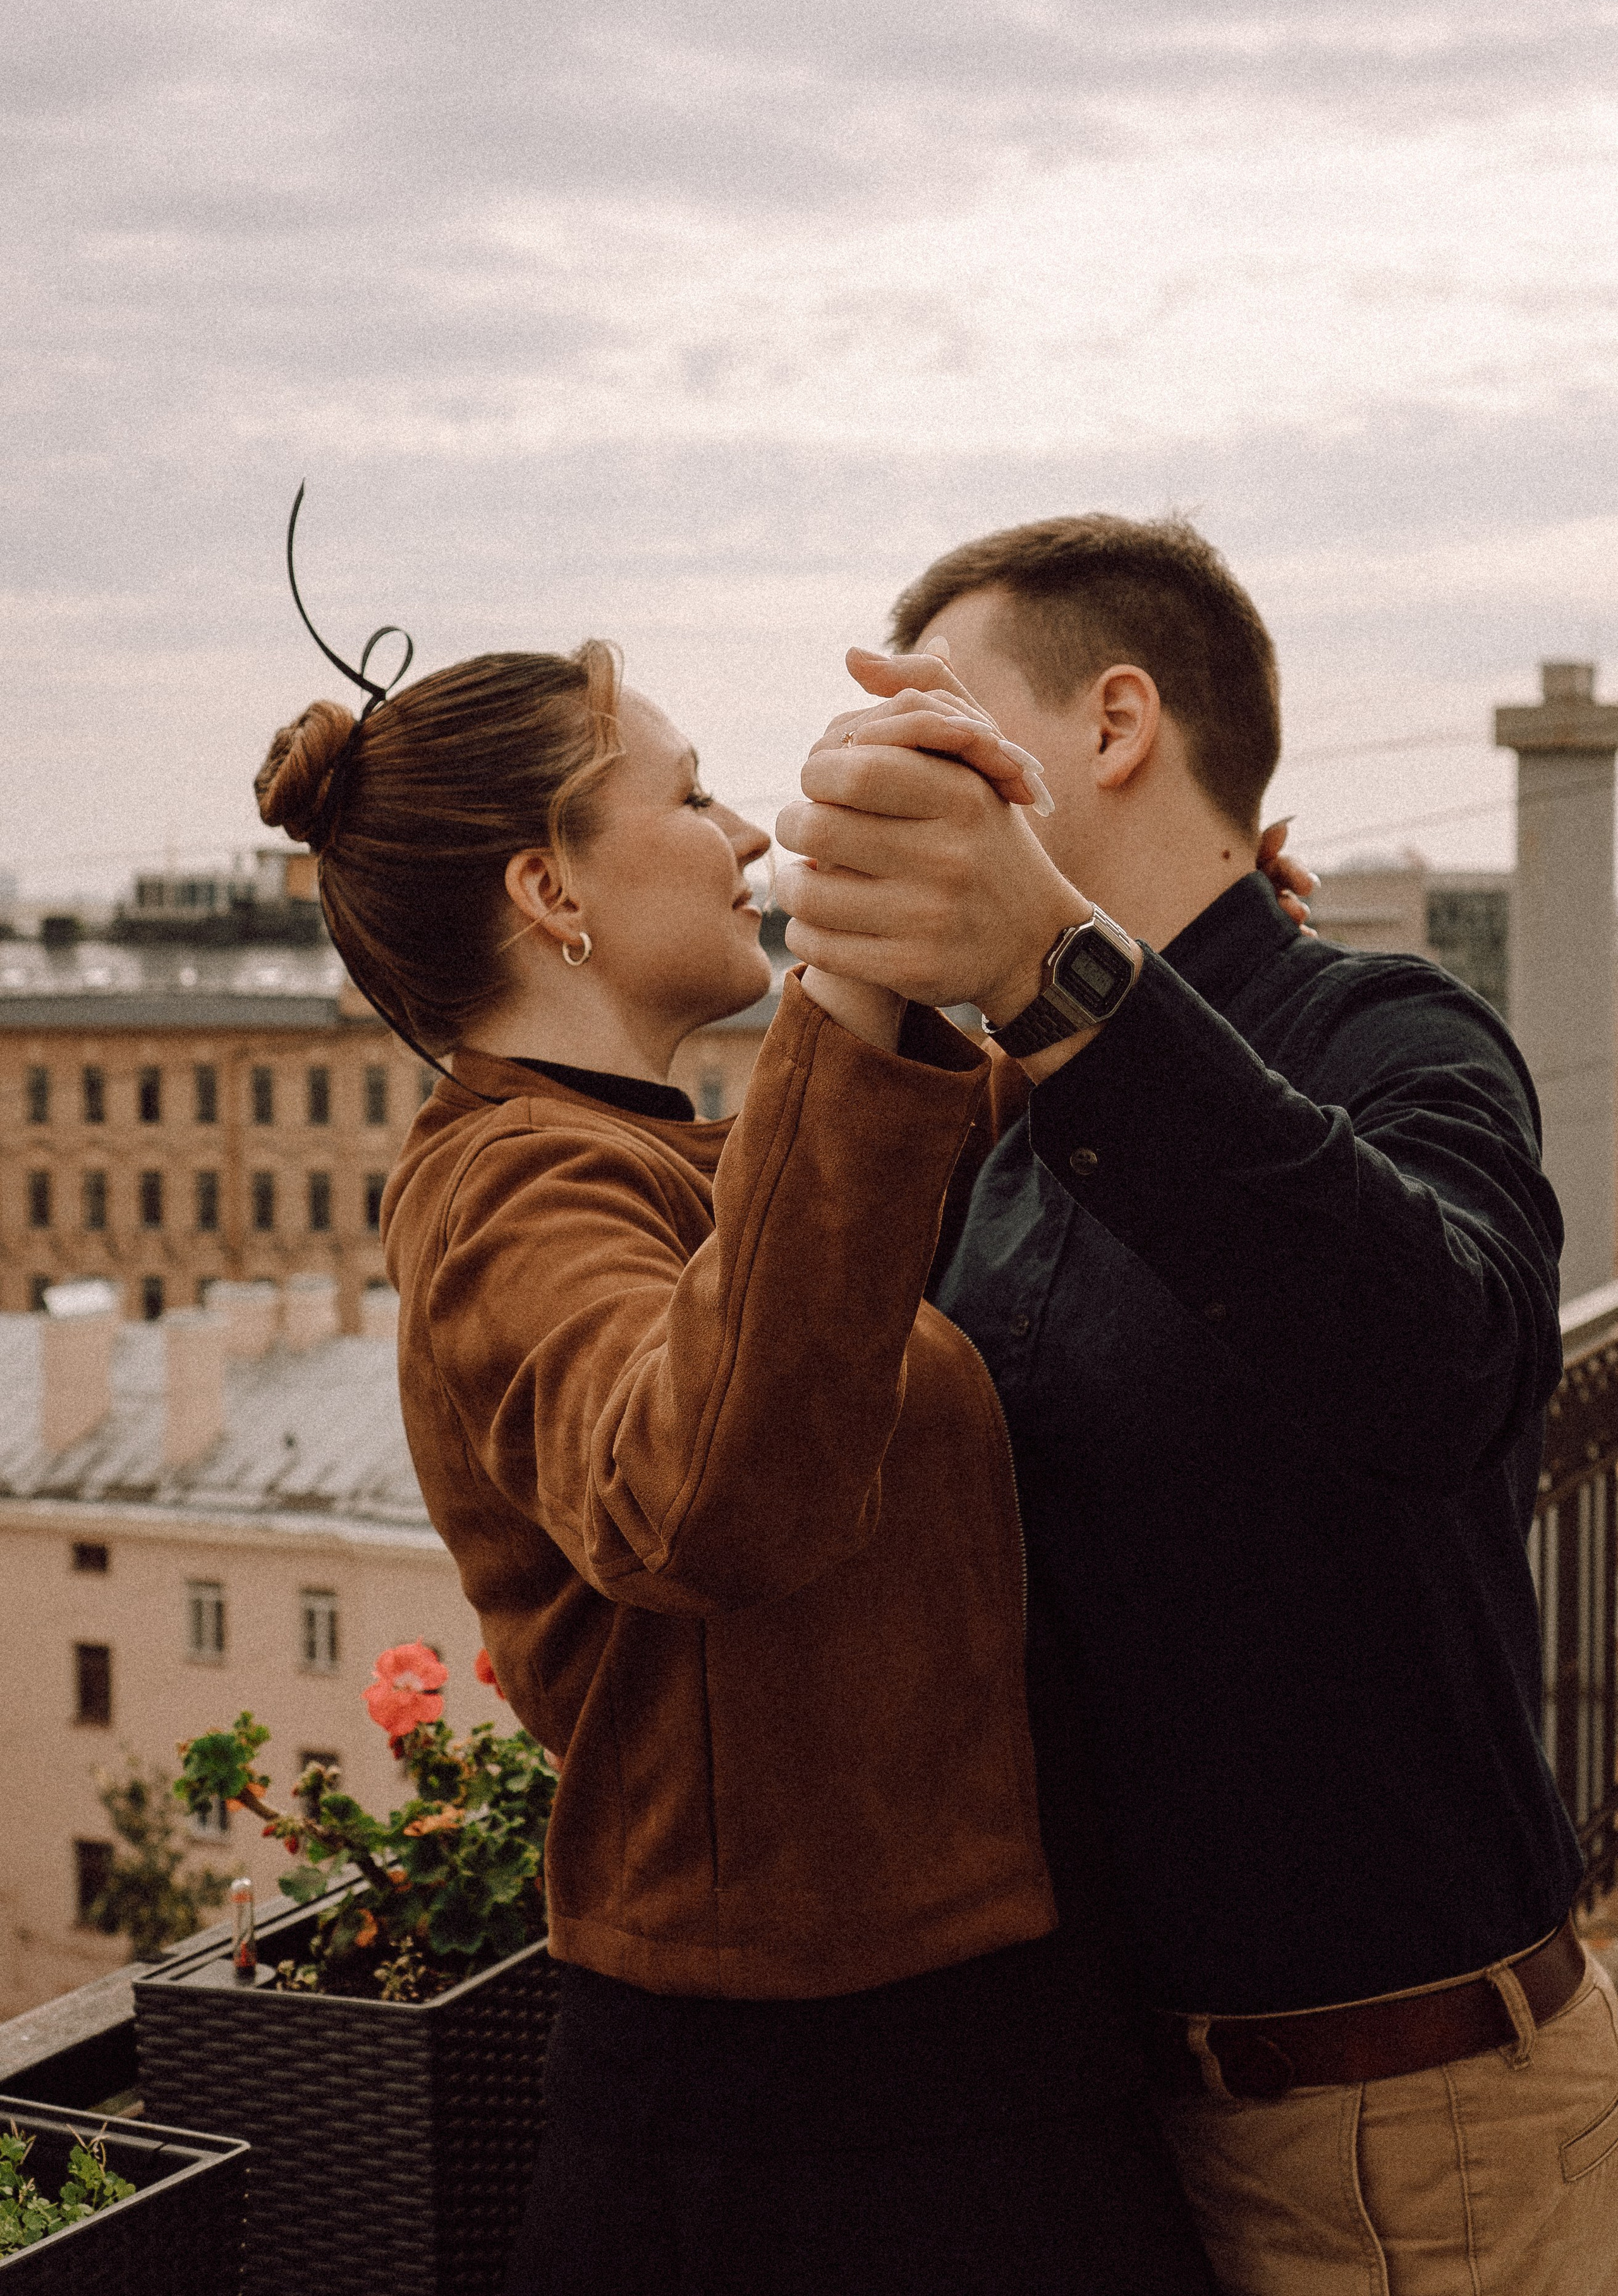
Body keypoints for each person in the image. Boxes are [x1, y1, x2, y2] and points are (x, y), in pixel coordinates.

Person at [253, 637, 1217, 2296]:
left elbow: (884, 1213)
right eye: (692, 794)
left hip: (955, 2058)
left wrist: (1141, 917)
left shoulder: (682, 1158)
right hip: (795, 2128)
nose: (754, 836)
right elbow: (701, 1487)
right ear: (552, 891)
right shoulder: (505, 1191)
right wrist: (856, 981)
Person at [776, 512, 1618, 2296]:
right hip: (1115, 2133)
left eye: (944, 719)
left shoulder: (1393, 1036)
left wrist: (1059, 981)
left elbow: (1454, 1372)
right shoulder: (1008, 1138)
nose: (889, 774)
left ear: (1115, 726)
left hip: (1425, 2141)